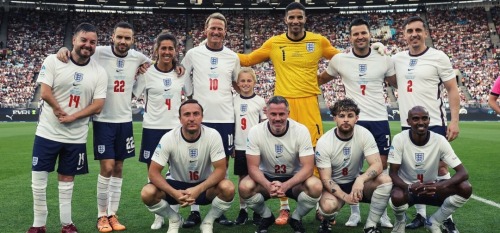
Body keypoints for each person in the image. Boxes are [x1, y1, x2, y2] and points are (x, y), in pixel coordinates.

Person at [26, 23, 107, 233]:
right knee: (39, 180)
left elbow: (98, 105)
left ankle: (66, 224)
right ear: (74, 40)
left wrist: (73, 117)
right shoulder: (53, 60)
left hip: (76, 137)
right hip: (47, 133)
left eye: (92, 42)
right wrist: (58, 110)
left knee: (67, 181)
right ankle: (38, 224)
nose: (87, 45)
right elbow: (44, 92)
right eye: (84, 40)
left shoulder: (99, 71)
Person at [317, 18, 396, 228]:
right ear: (349, 37)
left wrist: (391, 54)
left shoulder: (384, 59)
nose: (360, 37)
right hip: (353, 120)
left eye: (364, 33)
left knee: (382, 166)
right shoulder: (340, 60)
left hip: (379, 118)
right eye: (356, 34)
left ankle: (382, 212)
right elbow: (319, 79)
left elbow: (400, 82)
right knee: (352, 166)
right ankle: (354, 211)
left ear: (370, 35)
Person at [392, 16, 460, 232]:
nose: (414, 34)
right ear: (404, 35)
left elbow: (452, 89)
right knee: (412, 170)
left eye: (418, 30)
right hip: (406, 125)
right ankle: (421, 215)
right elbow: (390, 79)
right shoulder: (397, 59)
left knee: (440, 167)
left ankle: (446, 218)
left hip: (434, 123)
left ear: (426, 33)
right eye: (410, 31)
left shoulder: (438, 57)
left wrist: (455, 120)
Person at [140, 99, 235, 233]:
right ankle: (174, 219)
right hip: (175, 184)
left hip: (203, 187)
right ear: (180, 119)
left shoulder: (213, 135)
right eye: (187, 114)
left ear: (202, 116)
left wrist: (198, 189)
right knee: (147, 193)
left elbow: (221, 169)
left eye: (196, 114)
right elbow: (153, 172)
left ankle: (208, 222)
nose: (191, 118)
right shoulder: (169, 137)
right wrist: (174, 193)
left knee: (228, 188)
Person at [182, 12, 240, 227]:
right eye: (212, 28)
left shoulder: (233, 57)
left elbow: (236, 83)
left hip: (225, 118)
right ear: (205, 30)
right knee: (196, 163)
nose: (216, 32)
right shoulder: (193, 53)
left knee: (221, 166)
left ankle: (218, 209)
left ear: (225, 32)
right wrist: (191, 98)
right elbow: (182, 75)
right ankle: (194, 210)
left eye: (220, 29)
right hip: (200, 118)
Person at [239, 96, 323, 233]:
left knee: (316, 185)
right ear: (266, 113)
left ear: (288, 114)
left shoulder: (301, 130)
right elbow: (253, 168)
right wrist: (267, 185)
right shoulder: (256, 131)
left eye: (281, 114)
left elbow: (308, 168)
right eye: (273, 114)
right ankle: (266, 216)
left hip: (294, 179)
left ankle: (296, 218)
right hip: (266, 177)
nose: (277, 118)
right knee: (244, 186)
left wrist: (286, 185)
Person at [388, 106, 472, 233]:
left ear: (429, 120)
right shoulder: (399, 139)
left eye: (424, 118)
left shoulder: (439, 140)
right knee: (397, 196)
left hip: (432, 188)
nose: (421, 122)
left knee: (465, 187)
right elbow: (392, 173)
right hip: (408, 189)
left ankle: (434, 221)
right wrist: (409, 187)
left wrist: (441, 186)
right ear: (408, 121)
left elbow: (463, 172)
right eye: (415, 119)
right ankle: (400, 222)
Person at [315, 98, 393, 233]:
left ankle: (370, 226)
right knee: (328, 207)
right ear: (335, 118)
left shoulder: (364, 134)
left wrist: (360, 179)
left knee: (385, 180)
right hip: (335, 183)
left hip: (355, 180)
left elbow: (378, 164)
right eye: (341, 116)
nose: (346, 120)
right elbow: (326, 179)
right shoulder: (324, 142)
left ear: (356, 118)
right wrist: (346, 197)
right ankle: (327, 219)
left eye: (350, 116)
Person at [132, 33, 185, 230]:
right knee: (152, 174)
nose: (167, 52)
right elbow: (133, 93)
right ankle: (159, 215)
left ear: (175, 51)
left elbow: (190, 93)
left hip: (175, 130)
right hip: (152, 129)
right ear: (156, 50)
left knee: (175, 173)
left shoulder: (181, 74)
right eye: (163, 48)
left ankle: (175, 213)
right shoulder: (146, 74)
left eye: (170, 48)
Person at [232, 67, 267, 225]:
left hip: (255, 147)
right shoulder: (233, 99)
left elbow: (264, 125)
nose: (245, 84)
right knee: (242, 178)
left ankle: (257, 210)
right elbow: (230, 123)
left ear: (254, 82)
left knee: (257, 178)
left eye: (248, 80)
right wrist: (231, 144)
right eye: (242, 81)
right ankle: (243, 209)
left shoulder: (259, 101)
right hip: (239, 145)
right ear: (237, 83)